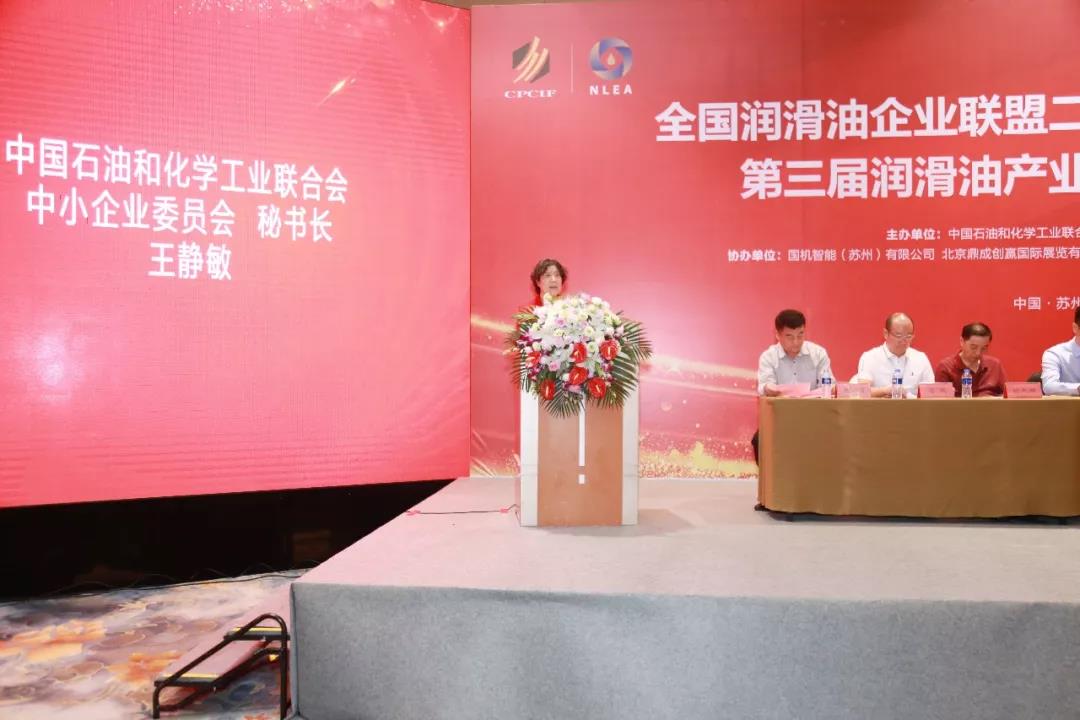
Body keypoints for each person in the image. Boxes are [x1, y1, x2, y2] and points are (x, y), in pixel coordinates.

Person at [752, 309, 832, 463]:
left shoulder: (818, 353)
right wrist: (772, 389)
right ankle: (770, 478)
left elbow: (830, 385)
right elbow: (765, 386)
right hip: (781, 420)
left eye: (800, 335)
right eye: (789, 336)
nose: (796, 342)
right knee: (759, 439)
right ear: (778, 335)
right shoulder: (768, 357)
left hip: (814, 417)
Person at [854, 312, 934, 398]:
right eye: (898, 335)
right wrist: (885, 391)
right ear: (886, 333)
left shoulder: (921, 358)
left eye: (908, 336)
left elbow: (932, 393)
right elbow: (862, 391)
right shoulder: (870, 357)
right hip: (879, 406)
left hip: (913, 406)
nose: (904, 340)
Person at [934, 322, 1007, 397]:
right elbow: (941, 401)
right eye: (973, 347)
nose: (978, 353)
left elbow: (1007, 396)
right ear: (962, 341)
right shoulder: (946, 367)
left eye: (984, 348)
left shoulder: (994, 365)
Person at [1041, 306, 1080, 396]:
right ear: (1075, 328)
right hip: (1068, 405)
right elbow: (1049, 386)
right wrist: (1077, 388)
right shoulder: (1055, 354)